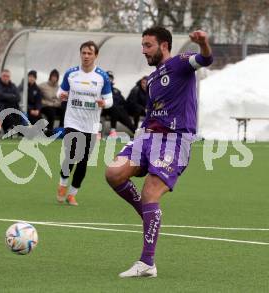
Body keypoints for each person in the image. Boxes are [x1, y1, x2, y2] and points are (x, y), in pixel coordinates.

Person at [105, 26, 213, 278]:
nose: (144, 51)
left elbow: (206, 59)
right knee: (113, 173)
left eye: (148, 45)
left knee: (151, 192)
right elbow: (151, 114)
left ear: (164, 45)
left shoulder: (181, 63)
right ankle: (147, 214)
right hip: (148, 138)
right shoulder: (152, 80)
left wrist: (203, 43)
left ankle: (147, 263)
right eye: (142, 45)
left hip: (175, 140)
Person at [56, 40, 113, 206]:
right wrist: (61, 95)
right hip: (72, 121)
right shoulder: (71, 73)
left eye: (90, 53)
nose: (86, 56)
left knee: (83, 161)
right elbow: (61, 91)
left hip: (91, 124)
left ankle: (72, 194)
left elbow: (110, 100)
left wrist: (104, 103)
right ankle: (62, 183)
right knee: (72, 154)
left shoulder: (101, 77)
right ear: (80, 54)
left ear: (96, 56)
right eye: (84, 53)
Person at [102, 71, 136, 136]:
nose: (109, 80)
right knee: (116, 108)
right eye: (107, 78)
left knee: (123, 115)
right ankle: (113, 130)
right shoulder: (101, 88)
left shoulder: (116, 90)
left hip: (117, 111)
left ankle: (137, 133)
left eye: (110, 78)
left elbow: (123, 102)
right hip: (105, 110)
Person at [0, 69, 21, 134]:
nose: (6, 78)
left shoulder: (12, 85)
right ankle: (9, 130)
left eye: (7, 76)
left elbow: (18, 98)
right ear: (1, 76)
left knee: (19, 114)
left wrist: (6, 96)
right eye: (4, 76)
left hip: (11, 107)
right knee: (7, 115)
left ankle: (17, 130)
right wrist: (12, 96)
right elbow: (0, 95)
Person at [39, 69, 64, 136]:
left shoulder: (59, 88)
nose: (54, 78)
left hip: (56, 106)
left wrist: (57, 103)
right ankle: (49, 132)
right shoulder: (42, 86)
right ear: (50, 77)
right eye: (53, 76)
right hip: (45, 106)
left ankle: (61, 130)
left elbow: (60, 99)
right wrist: (48, 103)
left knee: (64, 111)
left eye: (56, 77)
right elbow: (38, 98)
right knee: (51, 113)